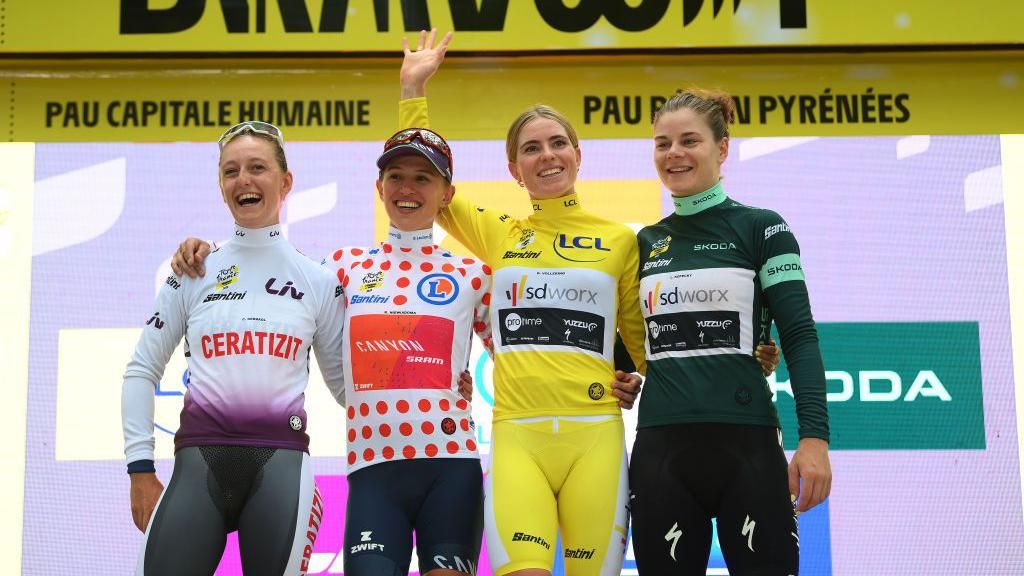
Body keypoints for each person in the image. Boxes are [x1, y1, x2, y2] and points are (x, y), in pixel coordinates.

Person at [397, 31, 777, 576]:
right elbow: (426, 174)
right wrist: (413, 89)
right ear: (514, 170)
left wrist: (736, 357)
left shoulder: (623, 240)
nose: (546, 155)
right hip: (516, 437)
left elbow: (647, 342)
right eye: (530, 148)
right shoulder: (500, 232)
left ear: (577, 155)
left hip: (595, 436)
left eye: (556, 143)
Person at [170, 127, 491, 576]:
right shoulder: (342, 268)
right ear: (380, 188)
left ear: (446, 193)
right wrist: (205, 251)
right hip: (373, 470)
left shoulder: (475, 274)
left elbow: (521, 359)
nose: (407, 189)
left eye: (423, 178)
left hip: (451, 464)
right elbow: (269, 278)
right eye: (396, 176)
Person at [122, 120, 346, 575]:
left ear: (285, 182)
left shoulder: (319, 280)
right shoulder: (193, 269)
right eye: (231, 171)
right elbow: (141, 369)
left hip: (280, 465)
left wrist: (438, 379)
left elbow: (349, 390)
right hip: (198, 462)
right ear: (222, 187)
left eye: (257, 167)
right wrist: (140, 470)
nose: (243, 179)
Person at [628, 90, 832, 575]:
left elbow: (799, 336)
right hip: (661, 452)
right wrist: (619, 375)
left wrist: (814, 440)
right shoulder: (643, 243)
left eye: (689, 140)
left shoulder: (763, 228)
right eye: (662, 143)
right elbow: (625, 342)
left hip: (748, 448)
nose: (673, 153)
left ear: (722, 148)